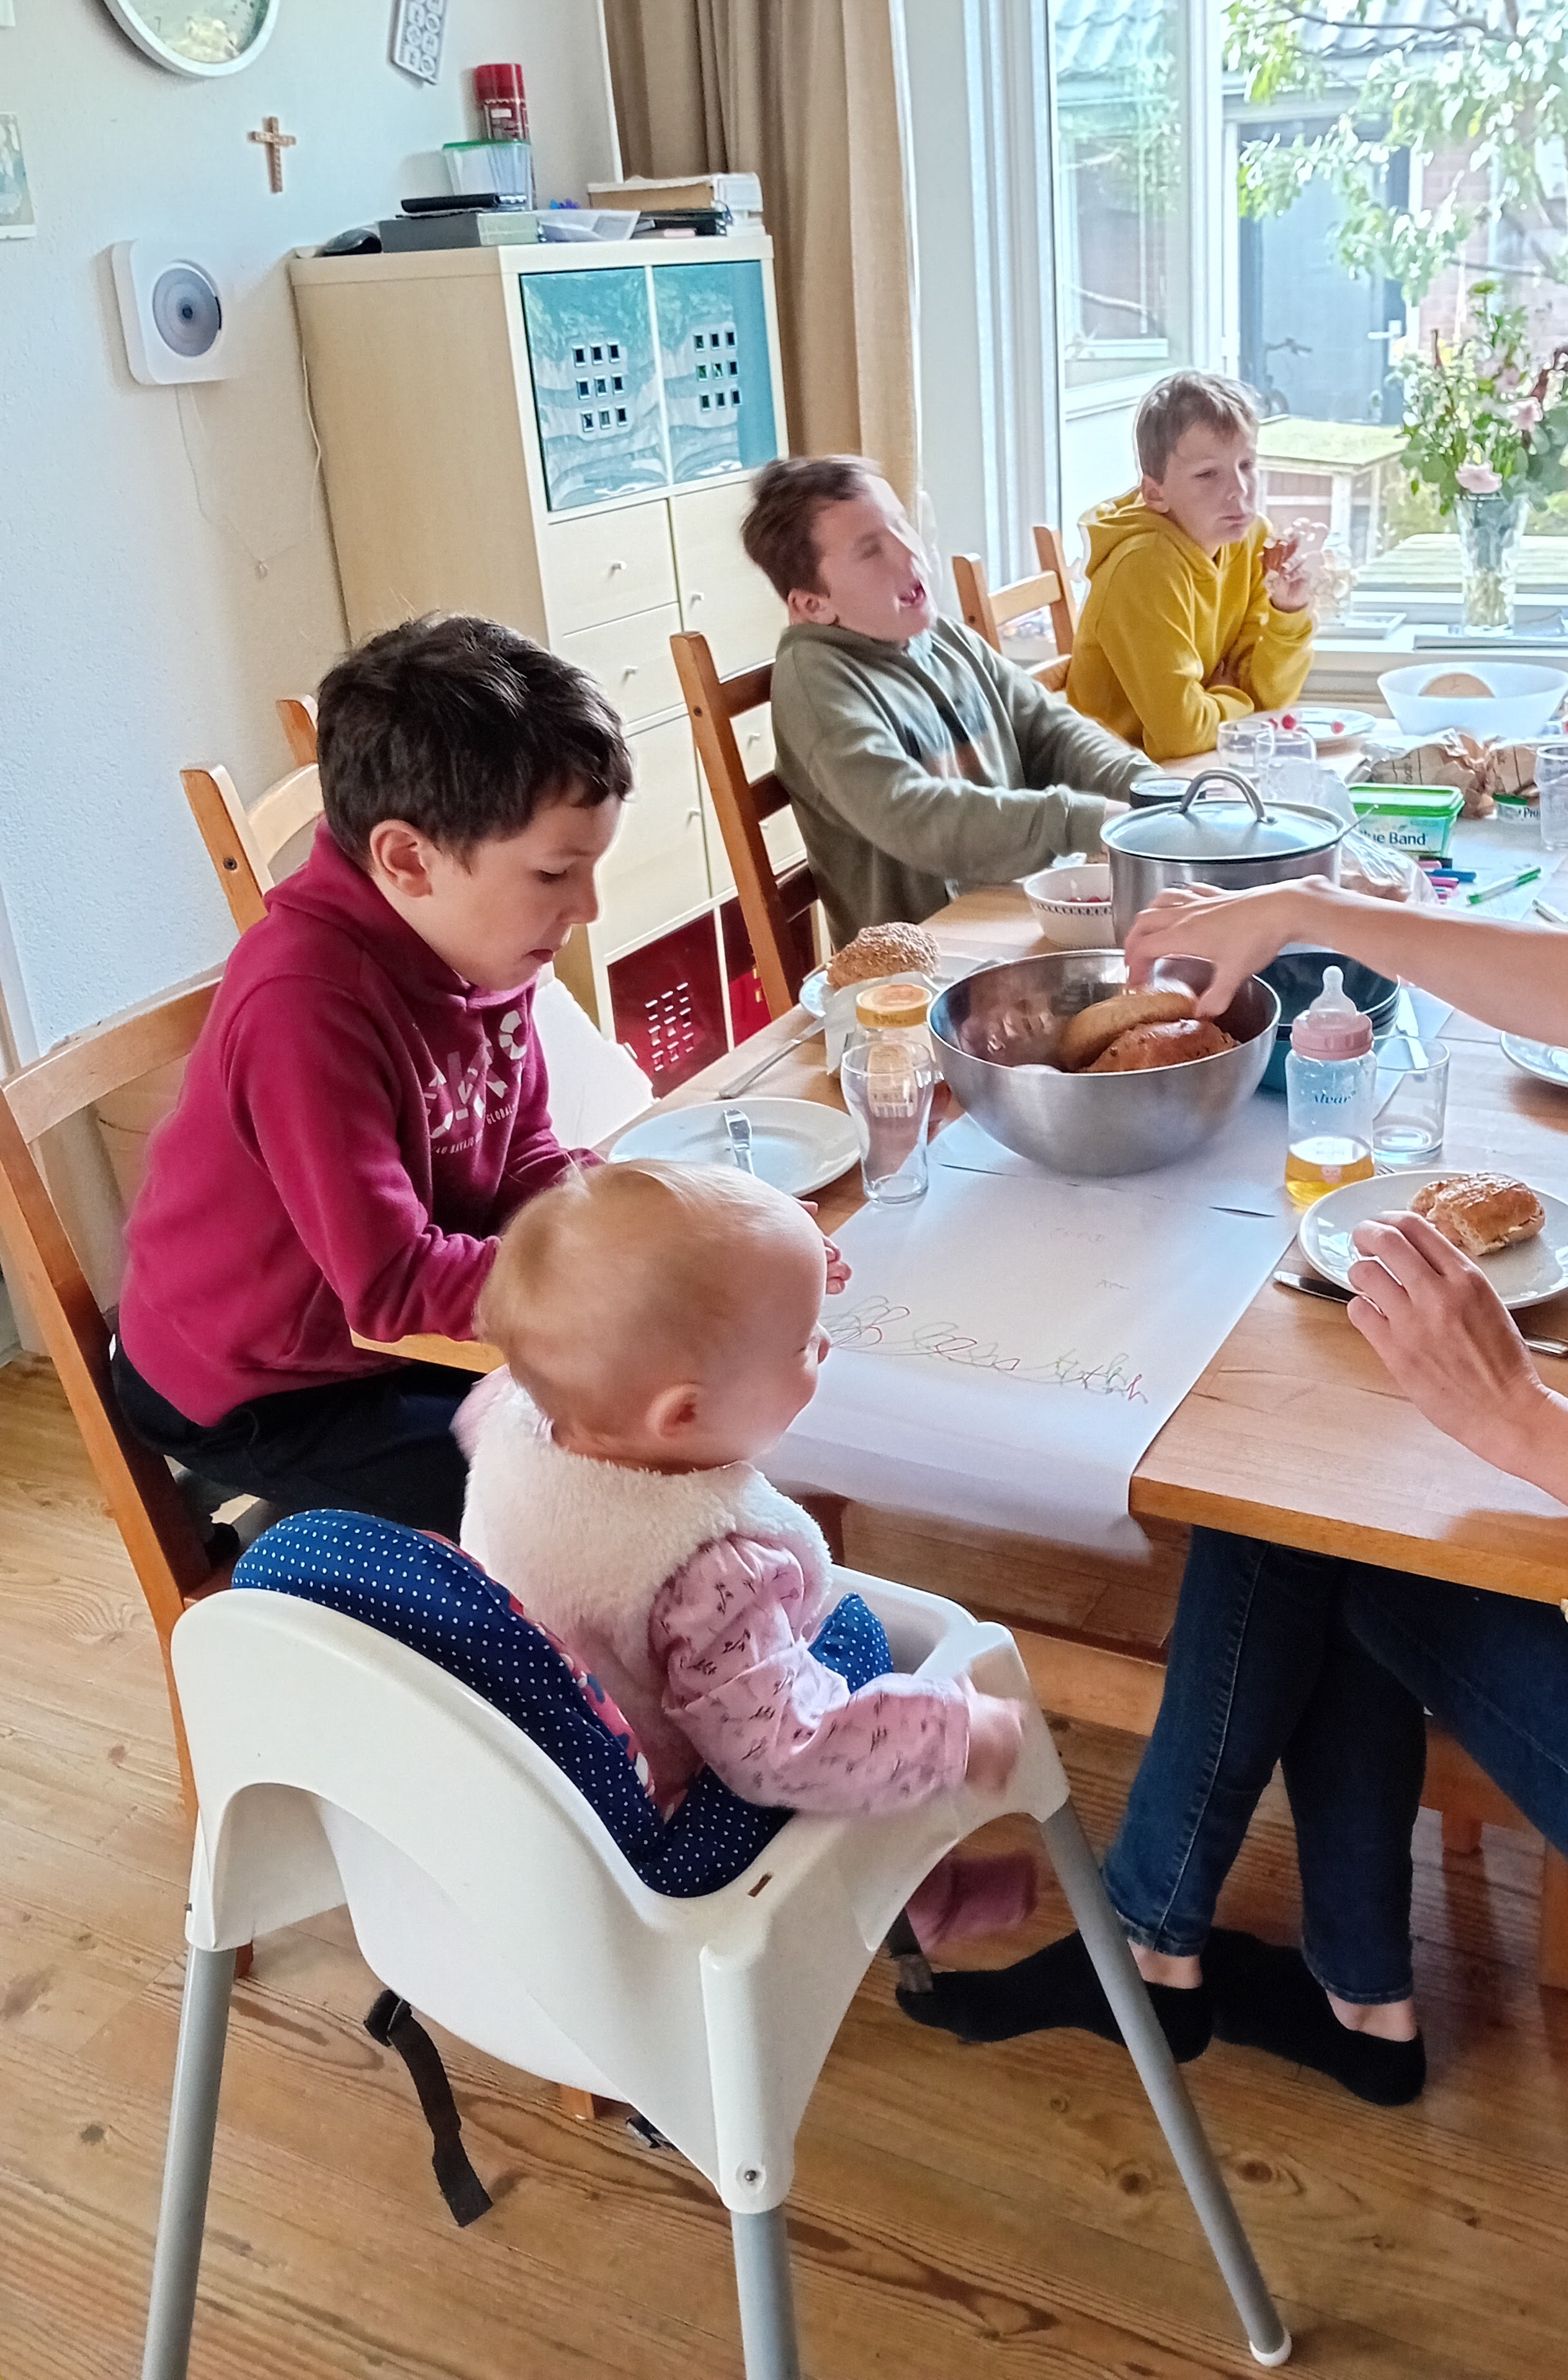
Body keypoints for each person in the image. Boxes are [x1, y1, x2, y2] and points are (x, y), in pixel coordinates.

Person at [906, 298, 1568, 2095]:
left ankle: (1170, 1945)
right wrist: (1307, 906)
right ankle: (1336, 1988)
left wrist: (1521, 1423)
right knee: (1322, 1471)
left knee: (1313, 1504)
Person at [113, 616, 633, 1547]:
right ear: (407, 859)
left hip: (384, 1339)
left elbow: (524, 1158)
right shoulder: (304, 1003)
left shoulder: (480, 939)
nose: (586, 908)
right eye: (557, 872)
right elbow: (391, 1286)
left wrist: (639, 1225)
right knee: (576, 1503)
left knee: (642, 1414)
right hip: (261, 1387)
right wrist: (607, 1280)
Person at [459, 1159, 1036, 1931]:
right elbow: (786, 1749)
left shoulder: (517, 1411)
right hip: (665, 1828)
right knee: (858, 1641)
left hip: (538, 1779)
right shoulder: (709, 1575)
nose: (822, 1344)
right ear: (682, 1415)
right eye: (800, 1344)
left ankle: (920, 1897)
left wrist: (771, 1277)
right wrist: (954, 1735)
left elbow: (568, 1343)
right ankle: (921, 1903)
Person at [748, 457, 1153, 942]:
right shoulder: (816, 683)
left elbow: (1052, 732)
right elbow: (912, 815)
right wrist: (1077, 821)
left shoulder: (940, 636)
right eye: (871, 550)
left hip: (1013, 913)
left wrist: (1149, 791)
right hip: (928, 953)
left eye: (901, 525)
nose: (909, 553)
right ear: (813, 605)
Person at [1063, 371, 1319, 761]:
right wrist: (1236, 700)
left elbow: (1270, 698)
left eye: (1247, 465)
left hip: (1191, 767)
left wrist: (1287, 609)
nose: (1239, 490)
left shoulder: (1249, 540)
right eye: (1207, 474)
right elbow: (1182, 734)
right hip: (1116, 778)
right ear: (1155, 493)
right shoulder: (1144, 567)